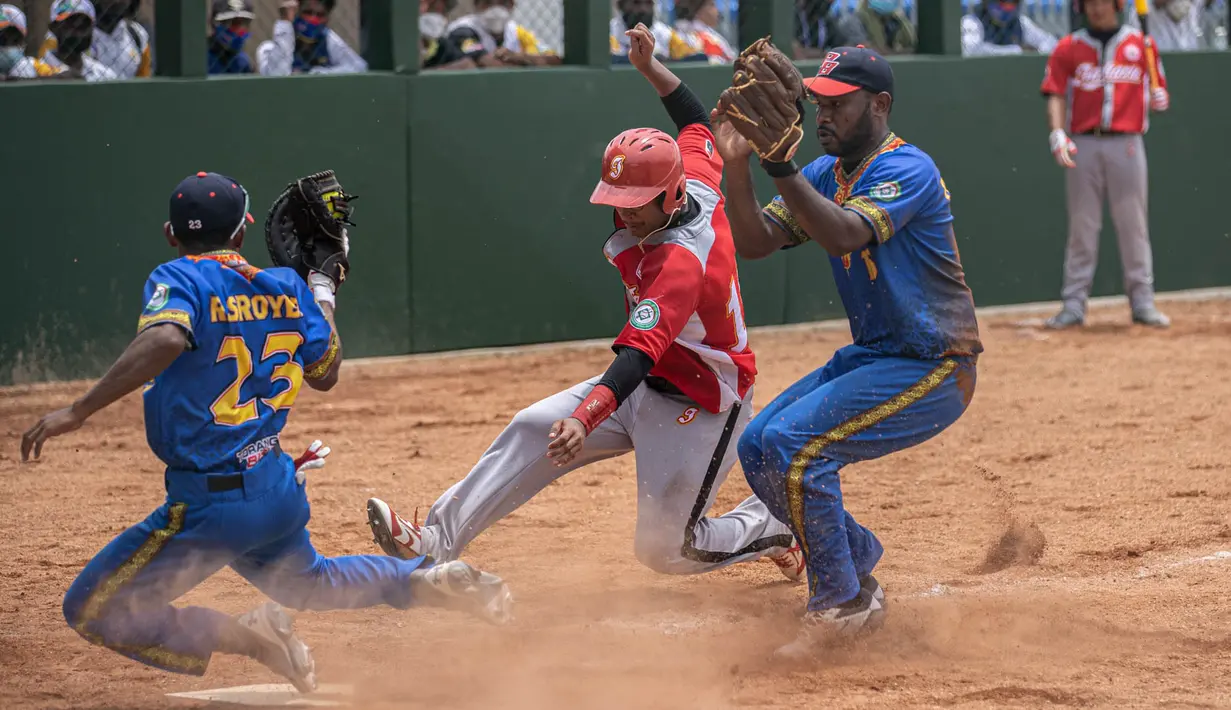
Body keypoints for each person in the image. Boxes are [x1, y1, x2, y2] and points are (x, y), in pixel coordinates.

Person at [19, 171, 513, 693]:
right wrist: (321, 286)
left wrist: (79, 410)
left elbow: (166, 335)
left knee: (91, 609)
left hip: (209, 508)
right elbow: (326, 372)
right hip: (274, 488)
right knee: (311, 581)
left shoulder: (179, 276)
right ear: (240, 234)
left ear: (171, 233)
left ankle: (251, 638)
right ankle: (424, 580)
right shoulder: (286, 287)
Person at [366, 24, 805, 586]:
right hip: (645, 383)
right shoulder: (692, 174)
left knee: (666, 550)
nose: (625, 213)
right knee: (531, 428)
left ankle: (770, 526)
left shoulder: (681, 263)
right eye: (617, 200)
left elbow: (638, 353)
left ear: (669, 197)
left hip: (703, 399)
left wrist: (585, 416)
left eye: (637, 203)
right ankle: (434, 543)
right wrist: (650, 69)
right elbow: (696, 122)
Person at [713, 44, 981, 658]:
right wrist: (739, 165)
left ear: (879, 104)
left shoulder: (906, 167)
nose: (822, 114)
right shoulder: (823, 173)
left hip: (934, 364)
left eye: (838, 103)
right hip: (878, 355)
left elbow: (843, 233)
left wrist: (781, 164)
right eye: (819, 102)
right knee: (758, 447)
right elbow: (755, 242)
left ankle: (840, 604)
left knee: (793, 448)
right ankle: (856, 568)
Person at [1041, 0, 1171, 329]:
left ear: (1116, 4)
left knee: (1134, 226)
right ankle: (1073, 304)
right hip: (1083, 142)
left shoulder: (1141, 44)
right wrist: (1057, 132)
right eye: (1090, 3)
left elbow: (1158, 89)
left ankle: (1143, 302)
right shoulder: (1068, 47)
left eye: (1102, 2)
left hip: (1127, 144)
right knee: (1082, 227)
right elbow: (1054, 92)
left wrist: (1159, 98)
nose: (1096, 9)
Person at [257, 0, 367, 76]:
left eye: (320, 15)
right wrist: (285, 23)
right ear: (296, 13)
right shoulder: (267, 49)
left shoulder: (327, 39)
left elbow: (359, 67)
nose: (313, 20)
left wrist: (317, 74)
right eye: (308, 12)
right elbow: (277, 75)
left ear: (327, 18)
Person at [446, 0, 559, 67]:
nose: (495, 8)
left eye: (502, 2)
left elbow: (554, 59)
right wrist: (530, 63)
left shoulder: (516, 31)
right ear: (476, 5)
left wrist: (520, 57)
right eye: (488, 2)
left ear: (512, 5)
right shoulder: (463, 30)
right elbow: (489, 64)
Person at [25, 0, 118, 81]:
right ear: (53, 27)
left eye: (83, 25)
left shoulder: (102, 73)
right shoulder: (34, 68)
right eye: (70, 24)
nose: (77, 32)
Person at [611, 0, 708, 63]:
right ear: (621, 5)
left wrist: (667, 62)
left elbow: (694, 59)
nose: (643, 9)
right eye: (636, 3)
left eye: (648, 3)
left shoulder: (666, 34)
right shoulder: (610, 33)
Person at [961, 0, 1058, 56]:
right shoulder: (971, 22)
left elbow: (1051, 43)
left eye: (1012, 2)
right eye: (1003, 2)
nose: (1008, 6)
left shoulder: (1021, 23)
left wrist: (1037, 51)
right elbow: (971, 51)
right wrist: (1017, 51)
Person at [672, 0, 737, 63]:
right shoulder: (709, 40)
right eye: (712, 5)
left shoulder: (674, 33)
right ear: (697, 9)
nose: (717, 10)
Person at [420, 0, 475, 70]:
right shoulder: (406, 39)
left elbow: (467, 64)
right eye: (432, 5)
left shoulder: (444, 44)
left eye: (445, 9)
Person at [208, 0, 256, 75]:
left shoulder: (244, 63)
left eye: (243, 23)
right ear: (215, 24)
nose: (238, 30)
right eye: (231, 23)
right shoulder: (200, 59)